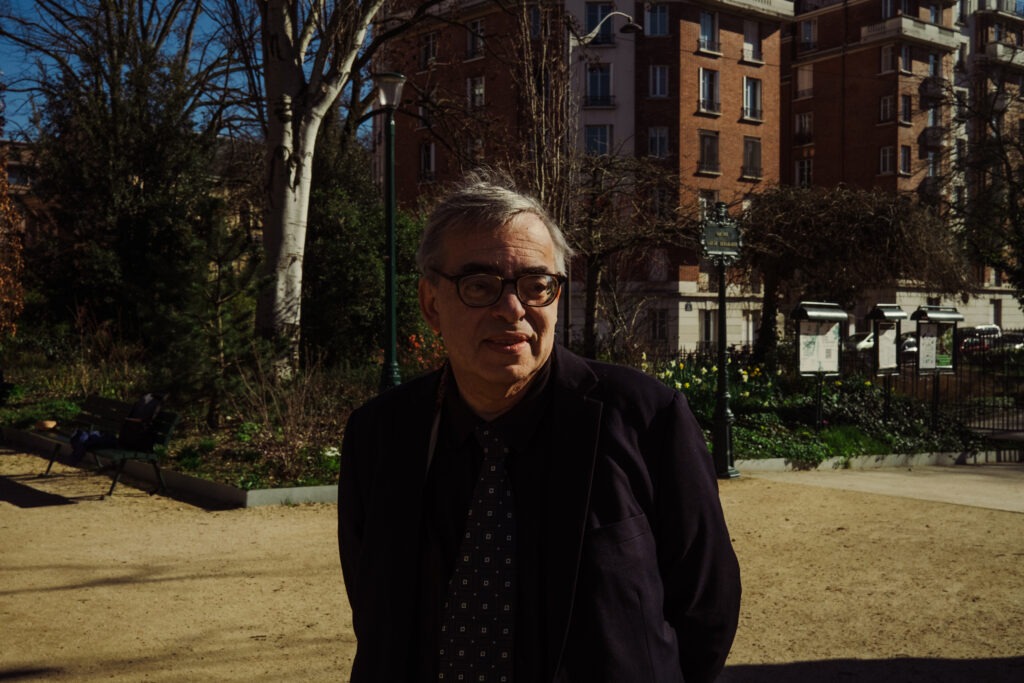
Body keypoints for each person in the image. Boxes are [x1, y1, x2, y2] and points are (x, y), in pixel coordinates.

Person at [338, 173, 741, 682]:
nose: (513, 309)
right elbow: (375, 612)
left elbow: (707, 607)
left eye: (536, 286)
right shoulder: (380, 436)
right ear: (431, 304)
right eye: (479, 286)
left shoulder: (646, 419)